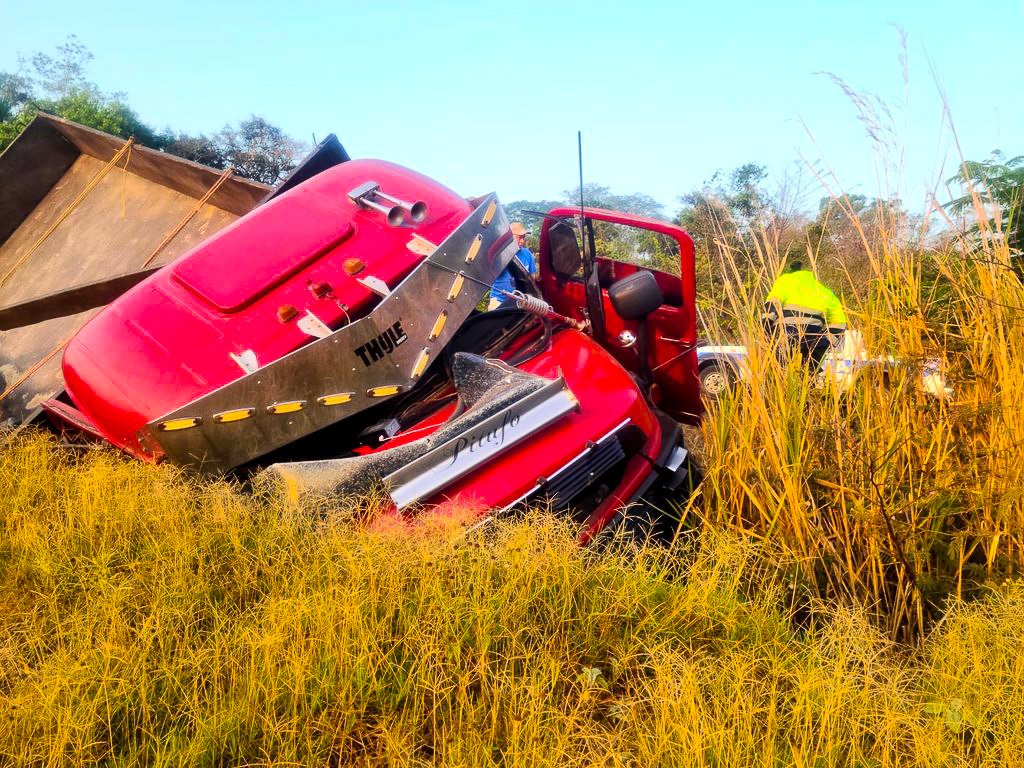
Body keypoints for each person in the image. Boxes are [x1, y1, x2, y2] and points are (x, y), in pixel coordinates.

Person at [763, 259, 847, 369]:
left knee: (778, 370)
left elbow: (772, 305)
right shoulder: (824, 291)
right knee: (809, 373)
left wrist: (766, 329)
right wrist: (824, 342)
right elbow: (839, 321)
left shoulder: (785, 280)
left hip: (786, 333)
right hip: (814, 335)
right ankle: (809, 379)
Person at [488, 221, 536, 310]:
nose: (522, 241)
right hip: (498, 301)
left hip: (520, 302)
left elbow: (532, 278)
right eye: (519, 237)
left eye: (523, 237)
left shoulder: (528, 254)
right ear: (510, 236)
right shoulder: (500, 253)